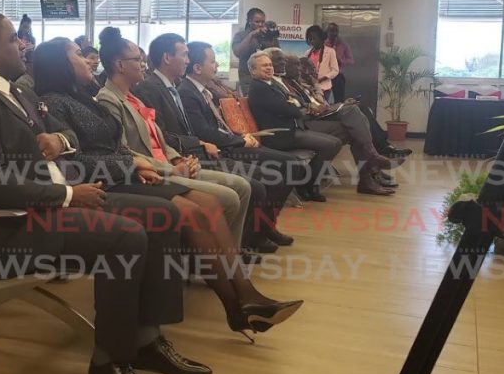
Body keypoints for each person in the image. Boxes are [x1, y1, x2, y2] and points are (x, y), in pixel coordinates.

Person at [0, 13, 210, 374]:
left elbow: (67, 133)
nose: (23, 45)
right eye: (12, 40)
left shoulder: (19, 91)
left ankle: (147, 339)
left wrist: (60, 141)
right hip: (13, 224)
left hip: (52, 202)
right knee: (126, 236)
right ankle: (109, 360)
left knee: (163, 214)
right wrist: (66, 195)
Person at [35, 37, 303, 339]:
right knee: (192, 211)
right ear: (59, 64)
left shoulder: (86, 96)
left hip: (129, 173)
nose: (87, 59)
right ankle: (237, 304)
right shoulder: (54, 103)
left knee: (210, 204)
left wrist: (139, 164)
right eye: (77, 55)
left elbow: (117, 145)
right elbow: (76, 162)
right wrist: (135, 165)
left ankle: (244, 295)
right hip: (105, 182)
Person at [96, 29, 254, 257]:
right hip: (153, 172)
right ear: (120, 65)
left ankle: (224, 257)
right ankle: (214, 260)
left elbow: (159, 138)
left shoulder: (134, 97)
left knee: (242, 186)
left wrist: (177, 157)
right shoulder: (108, 99)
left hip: (170, 163)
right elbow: (124, 150)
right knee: (228, 196)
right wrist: (172, 168)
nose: (143, 64)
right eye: (138, 60)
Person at [180, 42, 307, 250]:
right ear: (197, 68)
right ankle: (255, 235)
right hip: (222, 149)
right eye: (212, 61)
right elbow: (204, 132)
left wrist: (239, 135)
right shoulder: (188, 92)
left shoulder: (201, 91)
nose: (216, 65)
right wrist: (240, 140)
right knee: (279, 173)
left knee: (290, 166)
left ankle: (264, 228)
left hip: (230, 142)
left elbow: (217, 128)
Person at [263, 48, 400, 196]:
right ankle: (372, 161)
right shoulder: (273, 84)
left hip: (315, 115)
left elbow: (307, 101)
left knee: (354, 120)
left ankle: (367, 178)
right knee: (352, 113)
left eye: (284, 61)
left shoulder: (291, 82)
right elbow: (292, 108)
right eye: (279, 61)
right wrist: (312, 107)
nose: (299, 68)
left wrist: (320, 104)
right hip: (303, 123)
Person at [246, 52, 342, 202]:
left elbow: (293, 102)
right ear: (253, 71)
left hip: (291, 129)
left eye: (270, 65)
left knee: (335, 142)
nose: (269, 68)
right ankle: (308, 184)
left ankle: (308, 183)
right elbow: (288, 109)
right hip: (279, 135)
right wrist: (293, 106)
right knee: (330, 145)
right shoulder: (258, 88)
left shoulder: (270, 85)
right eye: (264, 66)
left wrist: (292, 105)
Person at [231, 8, 277, 95]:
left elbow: (277, 55)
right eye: (257, 22)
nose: (260, 24)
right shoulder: (240, 35)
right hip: (249, 79)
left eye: (263, 22)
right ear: (249, 21)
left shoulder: (268, 36)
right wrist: (251, 35)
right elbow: (237, 52)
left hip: (268, 78)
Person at [304, 25, 339, 102]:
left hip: (324, 88)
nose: (312, 41)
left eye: (314, 38)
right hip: (311, 88)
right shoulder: (307, 53)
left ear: (321, 38)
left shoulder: (330, 52)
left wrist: (322, 78)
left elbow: (335, 71)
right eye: (310, 39)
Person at [326, 23, 354, 101]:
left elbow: (351, 61)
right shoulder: (323, 44)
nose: (334, 33)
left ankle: (339, 113)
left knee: (339, 100)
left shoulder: (343, 44)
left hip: (338, 77)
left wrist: (341, 61)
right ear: (327, 32)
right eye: (332, 31)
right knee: (323, 100)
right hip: (325, 76)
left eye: (336, 31)